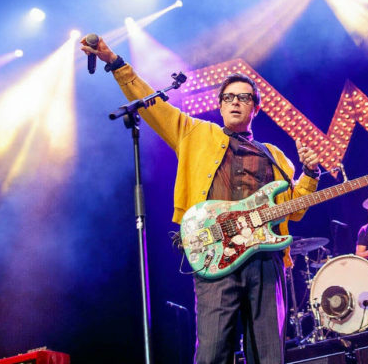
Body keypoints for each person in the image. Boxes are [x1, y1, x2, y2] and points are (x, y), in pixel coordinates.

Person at [81, 37, 320, 364]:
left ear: (255, 107)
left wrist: (310, 173)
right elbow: (154, 107)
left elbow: (297, 208)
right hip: (214, 252)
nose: (235, 102)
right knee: (211, 353)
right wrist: (114, 62)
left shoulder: (276, 156)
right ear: (220, 104)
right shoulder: (194, 133)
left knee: (268, 356)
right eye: (228, 97)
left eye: (244, 98)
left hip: (266, 260)